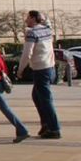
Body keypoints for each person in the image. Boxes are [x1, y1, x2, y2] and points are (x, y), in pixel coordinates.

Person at [17, 10, 61, 139]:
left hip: (41, 70)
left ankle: (54, 128)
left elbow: (27, 53)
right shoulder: (47, 29)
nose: (26, 20)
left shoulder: (32, 33)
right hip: (50, 67)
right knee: (37, 96)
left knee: (46, 100)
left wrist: (20, 69)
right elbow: (48, 22)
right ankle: (46, 124)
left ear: (33, 19)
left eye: (28, 18)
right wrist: (43, 18)